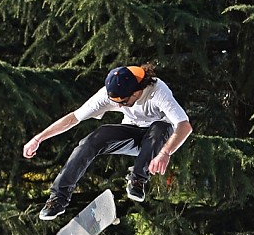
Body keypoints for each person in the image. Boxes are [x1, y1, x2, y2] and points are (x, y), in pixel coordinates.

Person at [23, 64, 193, 220]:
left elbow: (184, 126)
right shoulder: (106, 95)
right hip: (132, 135)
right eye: (116, 103)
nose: (120, 107)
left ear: (135, 92)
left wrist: (165, 153)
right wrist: (39, 138)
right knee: (93, 139)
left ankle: (138, 178)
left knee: (160, 127)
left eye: (123, 103)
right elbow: (74, 118)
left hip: (159, 141)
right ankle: (58, 199)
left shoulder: (158, 91)